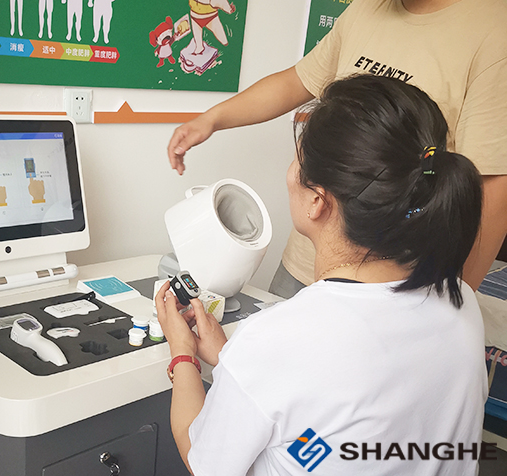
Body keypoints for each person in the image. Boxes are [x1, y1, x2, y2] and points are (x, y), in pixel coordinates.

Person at [156, 75, 487, 476]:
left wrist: (182, 354)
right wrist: (234, 363)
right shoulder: (461, 300)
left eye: (297, 160)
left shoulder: (280, 340)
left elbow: (202, 460)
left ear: (317, 201)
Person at [167, 0, 507, 298]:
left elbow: (495, 191)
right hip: (310, 260)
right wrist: (212, 119)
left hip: (391, 286)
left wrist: (452, 300)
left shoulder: (493, 31)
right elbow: (298, 80)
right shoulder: (367, 9)